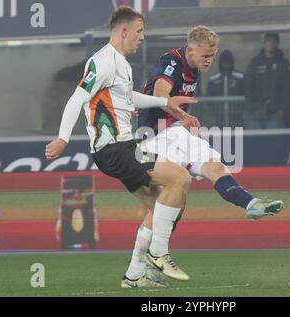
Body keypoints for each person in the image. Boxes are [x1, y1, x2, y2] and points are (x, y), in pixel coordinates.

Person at [45, 6, 199, 288]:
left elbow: (130, 99)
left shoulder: (122, 64)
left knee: (165, 205)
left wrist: (167, 102)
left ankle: (135, 274)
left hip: (123, 147)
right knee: (181, 178)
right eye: (139, 31)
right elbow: (76, 98)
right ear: (123, 31)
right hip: (115, 149)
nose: (142, 37)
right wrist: (63, 138)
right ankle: (159, 254)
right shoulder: (102, 61)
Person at [138, 26, 284, 275]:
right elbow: (162, 94)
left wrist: (183, 119)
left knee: (214, 166)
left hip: (177, 132)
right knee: (166, 207)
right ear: (191, 50)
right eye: (206, 55)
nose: (210, 60)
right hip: (157, 136)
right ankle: (141, 268)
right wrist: (183, 115)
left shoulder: (193, 66)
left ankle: (251, 205)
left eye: (213, 55)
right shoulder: (171, 61)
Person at [244, 33, 290, 129]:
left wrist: (283, 110)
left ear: (277, 43)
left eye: (274, 41)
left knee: (275, 143)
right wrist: (250, 109)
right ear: (264, 43)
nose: (271, 44)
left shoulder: (283, 63)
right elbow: (248, 87)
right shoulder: (255, 63)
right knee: (257, 142)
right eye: (269, 41)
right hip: (257, 113)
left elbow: (287, 89)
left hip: (276, 114)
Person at [205, 49, 245, 127]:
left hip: (237, 121)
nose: (226, 63)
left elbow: (247, 94)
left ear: (232, 62)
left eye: (228, 61)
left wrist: (241, 112)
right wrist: (215, 112)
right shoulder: (213, 80)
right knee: (221, 139)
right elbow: (208, 99)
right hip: (219, 121)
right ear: (220, 63)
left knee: (237, 139)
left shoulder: (240, 78)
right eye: (224, 61)